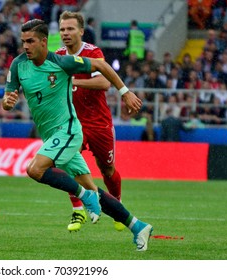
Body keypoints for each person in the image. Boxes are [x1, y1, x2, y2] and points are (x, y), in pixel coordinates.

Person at [3, 19, 153, 251]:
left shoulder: (62, 63)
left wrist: (125, 92)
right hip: (51, 136)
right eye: (23, 41)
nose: (25, 46)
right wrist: (8, 101)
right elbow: (7, 99)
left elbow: (102, 66)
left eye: (30, 41)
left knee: (35, 169)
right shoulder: (18, 65)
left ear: (44, 42)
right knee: (94, 189)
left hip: (70, 131)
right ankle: (137, 226)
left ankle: (85, 197)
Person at [56, 11, 141, 232]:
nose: (65, 33)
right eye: (62, 29)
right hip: (73, 123)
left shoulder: (93, 53)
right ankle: (78, 210)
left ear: (81, 31)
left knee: (108, 170)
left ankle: (117, 205)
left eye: (70, 29)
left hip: (99, 123)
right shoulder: (57, 56)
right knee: (65, 162)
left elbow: (104, 83)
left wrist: (71, 80)